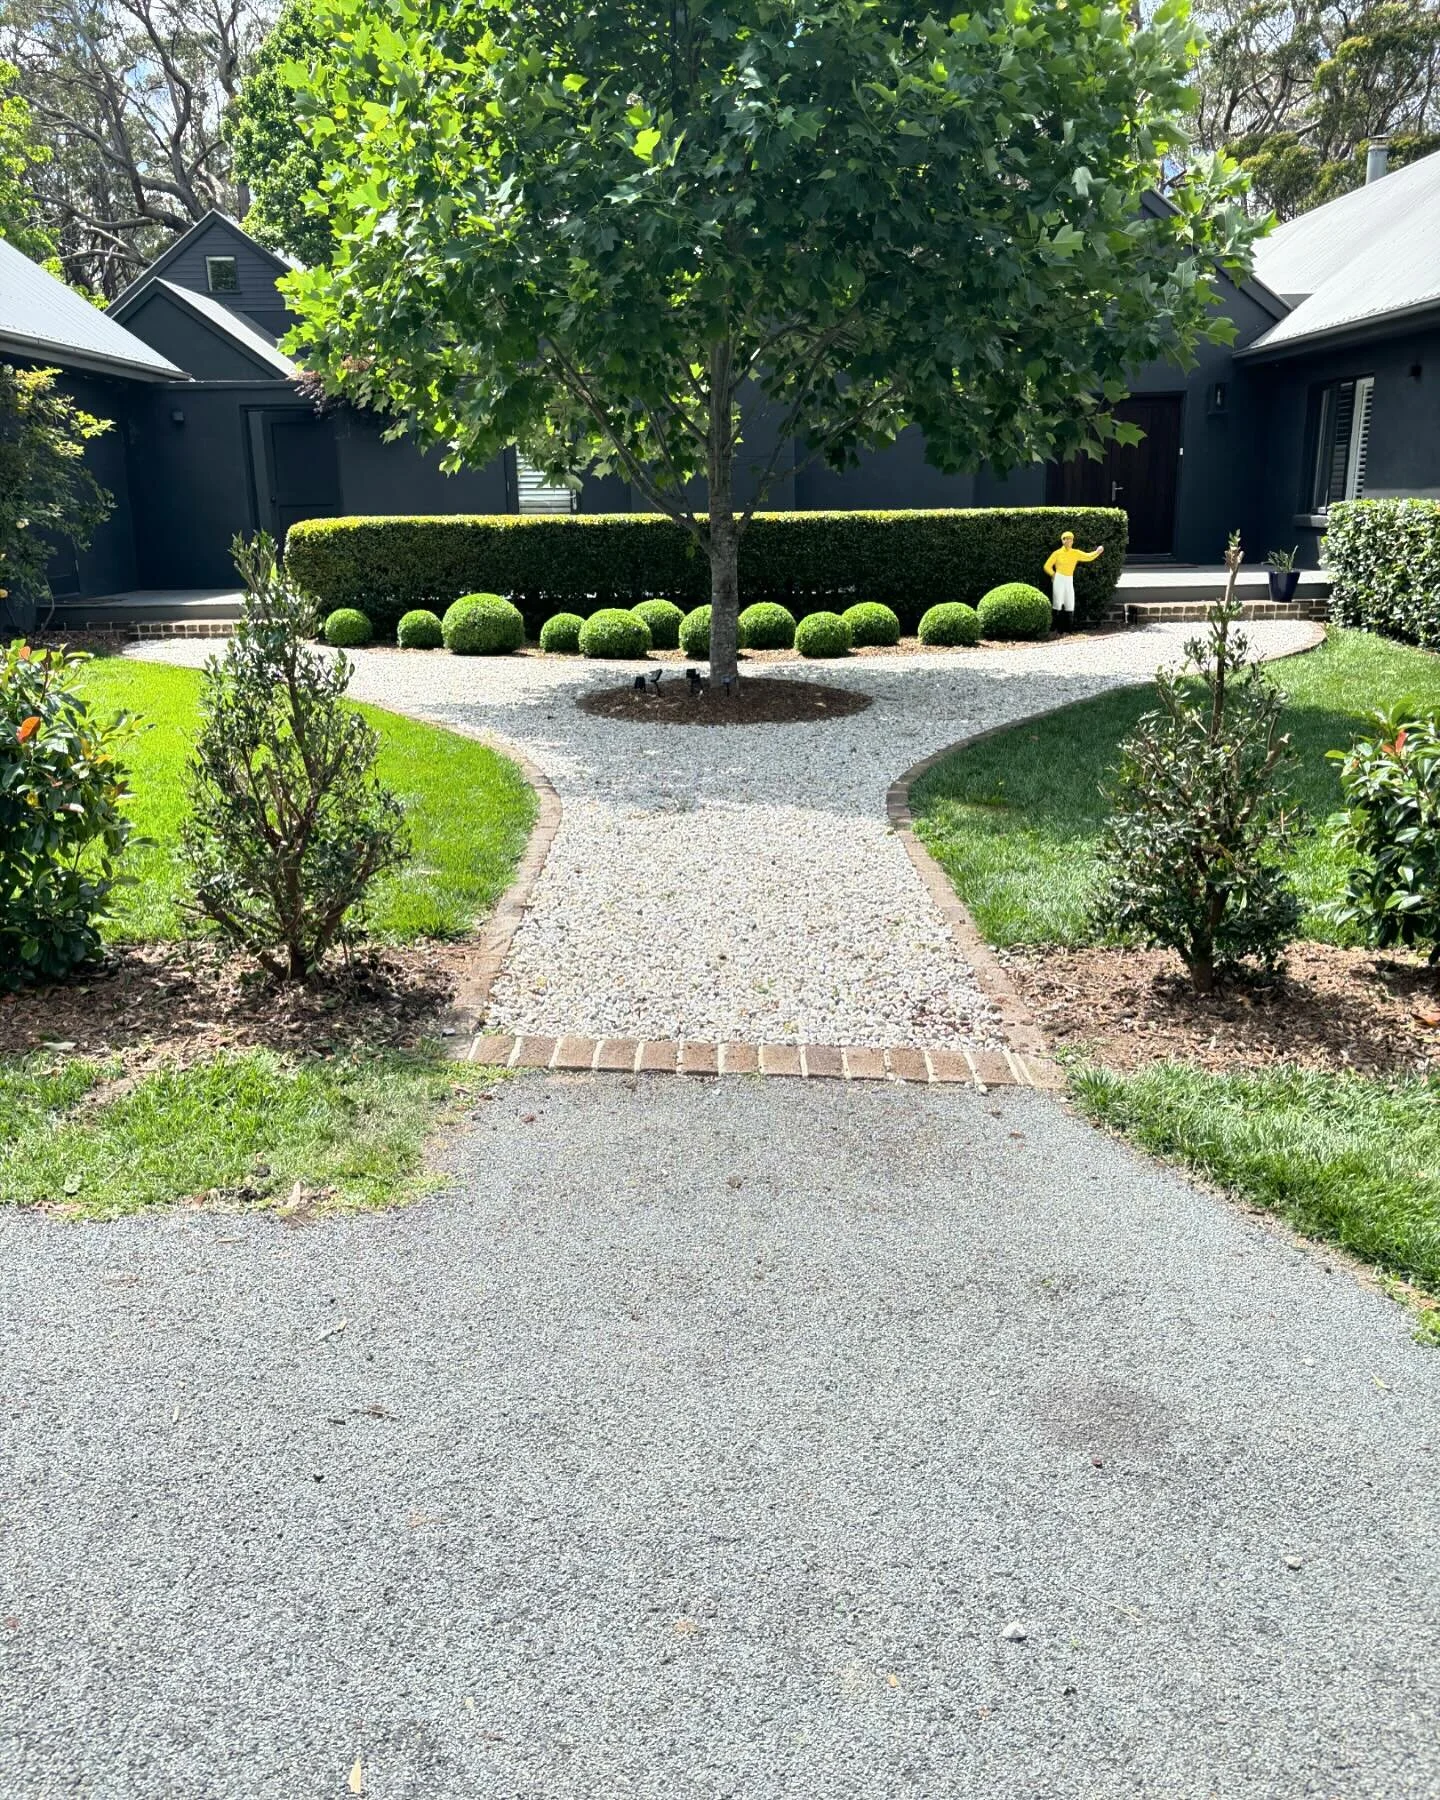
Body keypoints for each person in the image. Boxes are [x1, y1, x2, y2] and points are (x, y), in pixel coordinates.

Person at [1043, 532, 1104, 629]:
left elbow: (1088, 556)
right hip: (1059, 578)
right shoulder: (1057, 553)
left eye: (1070, 539)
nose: (1068, 541)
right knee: (1057, 602)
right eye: (1065, 539)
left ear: (1073, 541)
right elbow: (1046, 566)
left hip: (1069, 579)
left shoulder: (1075, 553)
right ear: (1062, 540)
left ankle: (1069, 628)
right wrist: (1053, 574)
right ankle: (1055, 628)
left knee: (1070, 601)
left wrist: (1097, 552)